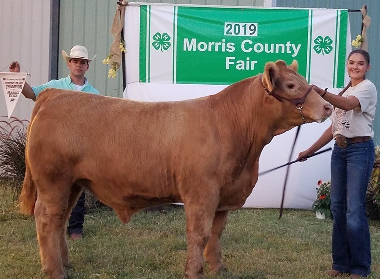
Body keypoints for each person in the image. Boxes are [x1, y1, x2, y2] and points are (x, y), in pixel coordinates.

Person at [298, 49, 377, 278]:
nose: (355, 67)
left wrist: (321, 92)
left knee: (354, 210)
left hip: (360, 151)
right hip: (340, 151)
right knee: (337, 207)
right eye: (351, 62)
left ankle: (360, 267)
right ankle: (340, 264)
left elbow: (348, 104)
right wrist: (309, 150)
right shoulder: (346, 88)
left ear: (367, 67)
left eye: (360, 63)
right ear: (347, 64)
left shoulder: (366, 89)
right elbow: (334, 128)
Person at [9, 45, 99, 240]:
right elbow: (32, 93)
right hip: (58, 147)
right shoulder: (55, 86)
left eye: (82, 62)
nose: (78, 65)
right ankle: (52, 226)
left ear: (87, 67)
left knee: (78, 190)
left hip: (82, 149)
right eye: (75, 61)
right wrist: (17, 77)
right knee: (56, 188)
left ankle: (75, 229)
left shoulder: (95, 94)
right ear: (69, 64)